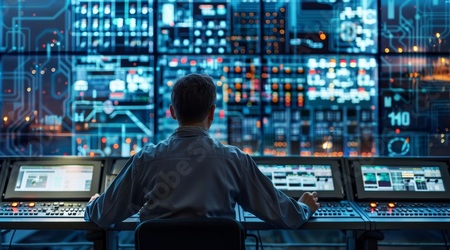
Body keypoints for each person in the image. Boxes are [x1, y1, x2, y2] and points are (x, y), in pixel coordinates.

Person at [84, 73, 320, 229]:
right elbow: (284, 215)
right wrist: (305, 207)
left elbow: (103, 216)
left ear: (173, 112)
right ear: (212, 112)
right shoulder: (235, 161)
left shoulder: (145, 160)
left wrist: (96, 203)